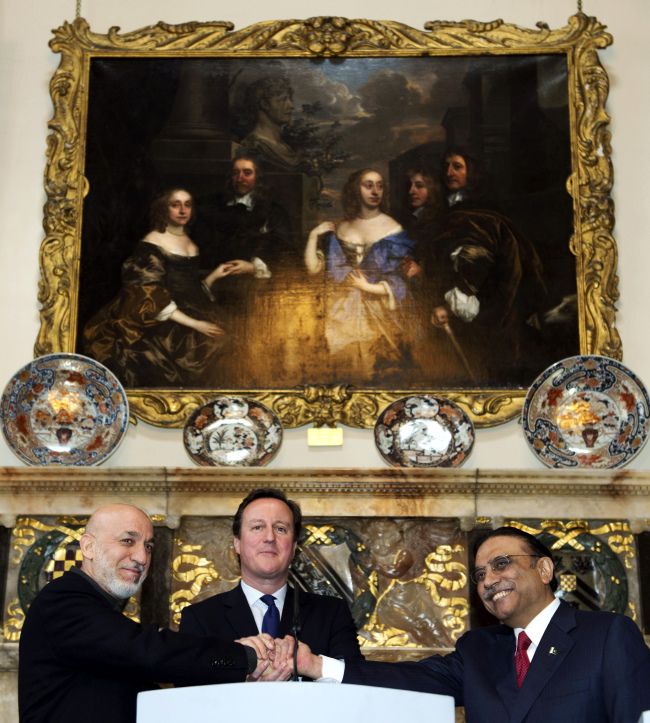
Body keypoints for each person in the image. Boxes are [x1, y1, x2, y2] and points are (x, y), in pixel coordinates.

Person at [294, 526, 650, 722]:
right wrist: (317, 665)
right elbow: (407, 678)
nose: (488, 581)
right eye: (480, 574)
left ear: (544, 569)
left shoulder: (607, 635)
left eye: (501, 564)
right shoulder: (478, 650)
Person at [18, 503, 291, 723]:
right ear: (88, 547)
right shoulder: (62, 600)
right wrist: (243, 657)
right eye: (128, 541)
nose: (141, 557)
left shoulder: (99, 613)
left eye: (148, 546)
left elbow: (155, 704)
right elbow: (146, 650)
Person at [179, 489, 363, 681]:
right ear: (237, 543)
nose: (269, 537)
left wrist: (312, 665)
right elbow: (186, 692)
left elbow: (357, 680)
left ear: (293, 548)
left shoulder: (331, 613)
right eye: (257, 527)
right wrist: (236, 669)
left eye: (280, 528)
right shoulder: (200, 618)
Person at [83, 188, 231, 387]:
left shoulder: (190, 241)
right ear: (163, 209)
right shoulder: (153, 241)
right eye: (175, 204)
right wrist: (196, 324)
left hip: (190, 309)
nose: (182, 210)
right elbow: (149, 294)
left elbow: (189, 291)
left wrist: (215, 275)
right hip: (160, 315)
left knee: (227, 341)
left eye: (187, 204)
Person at [428, 146, 547, 385]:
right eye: (446, 167)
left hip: (486, 298)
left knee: (490, 361)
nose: (449, 172)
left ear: (472, 171)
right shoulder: (450, 208)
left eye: (457, 166)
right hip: (469, 300)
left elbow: (477, 254)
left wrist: (455, 299)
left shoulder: (482, 209)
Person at [304, 169, 419, 385]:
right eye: (368, 185)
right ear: (355, 190)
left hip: (381, 311)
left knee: (380, 370)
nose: (375, 191)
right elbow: (313, 269)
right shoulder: (340, 228)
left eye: (380, 186)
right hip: (342, 311)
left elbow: (403, 281)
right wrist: (313, 236)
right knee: (346, 372)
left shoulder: (393, 229)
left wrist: (367, 288)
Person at [192, 153, 292, 383]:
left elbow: (284, 249)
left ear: (258, 178)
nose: (241, 178)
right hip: (216, 281)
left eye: (247, 172)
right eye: (235, 173)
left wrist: (253, 266)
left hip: (255, 285)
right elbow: (202, 245)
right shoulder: (209, 207)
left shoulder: (273, 211)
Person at [240, 75, 300, 171]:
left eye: (289, 100)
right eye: (283, 100)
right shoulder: (254, 146)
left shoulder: (286, 148)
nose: (291, 106)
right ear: (265, 104)